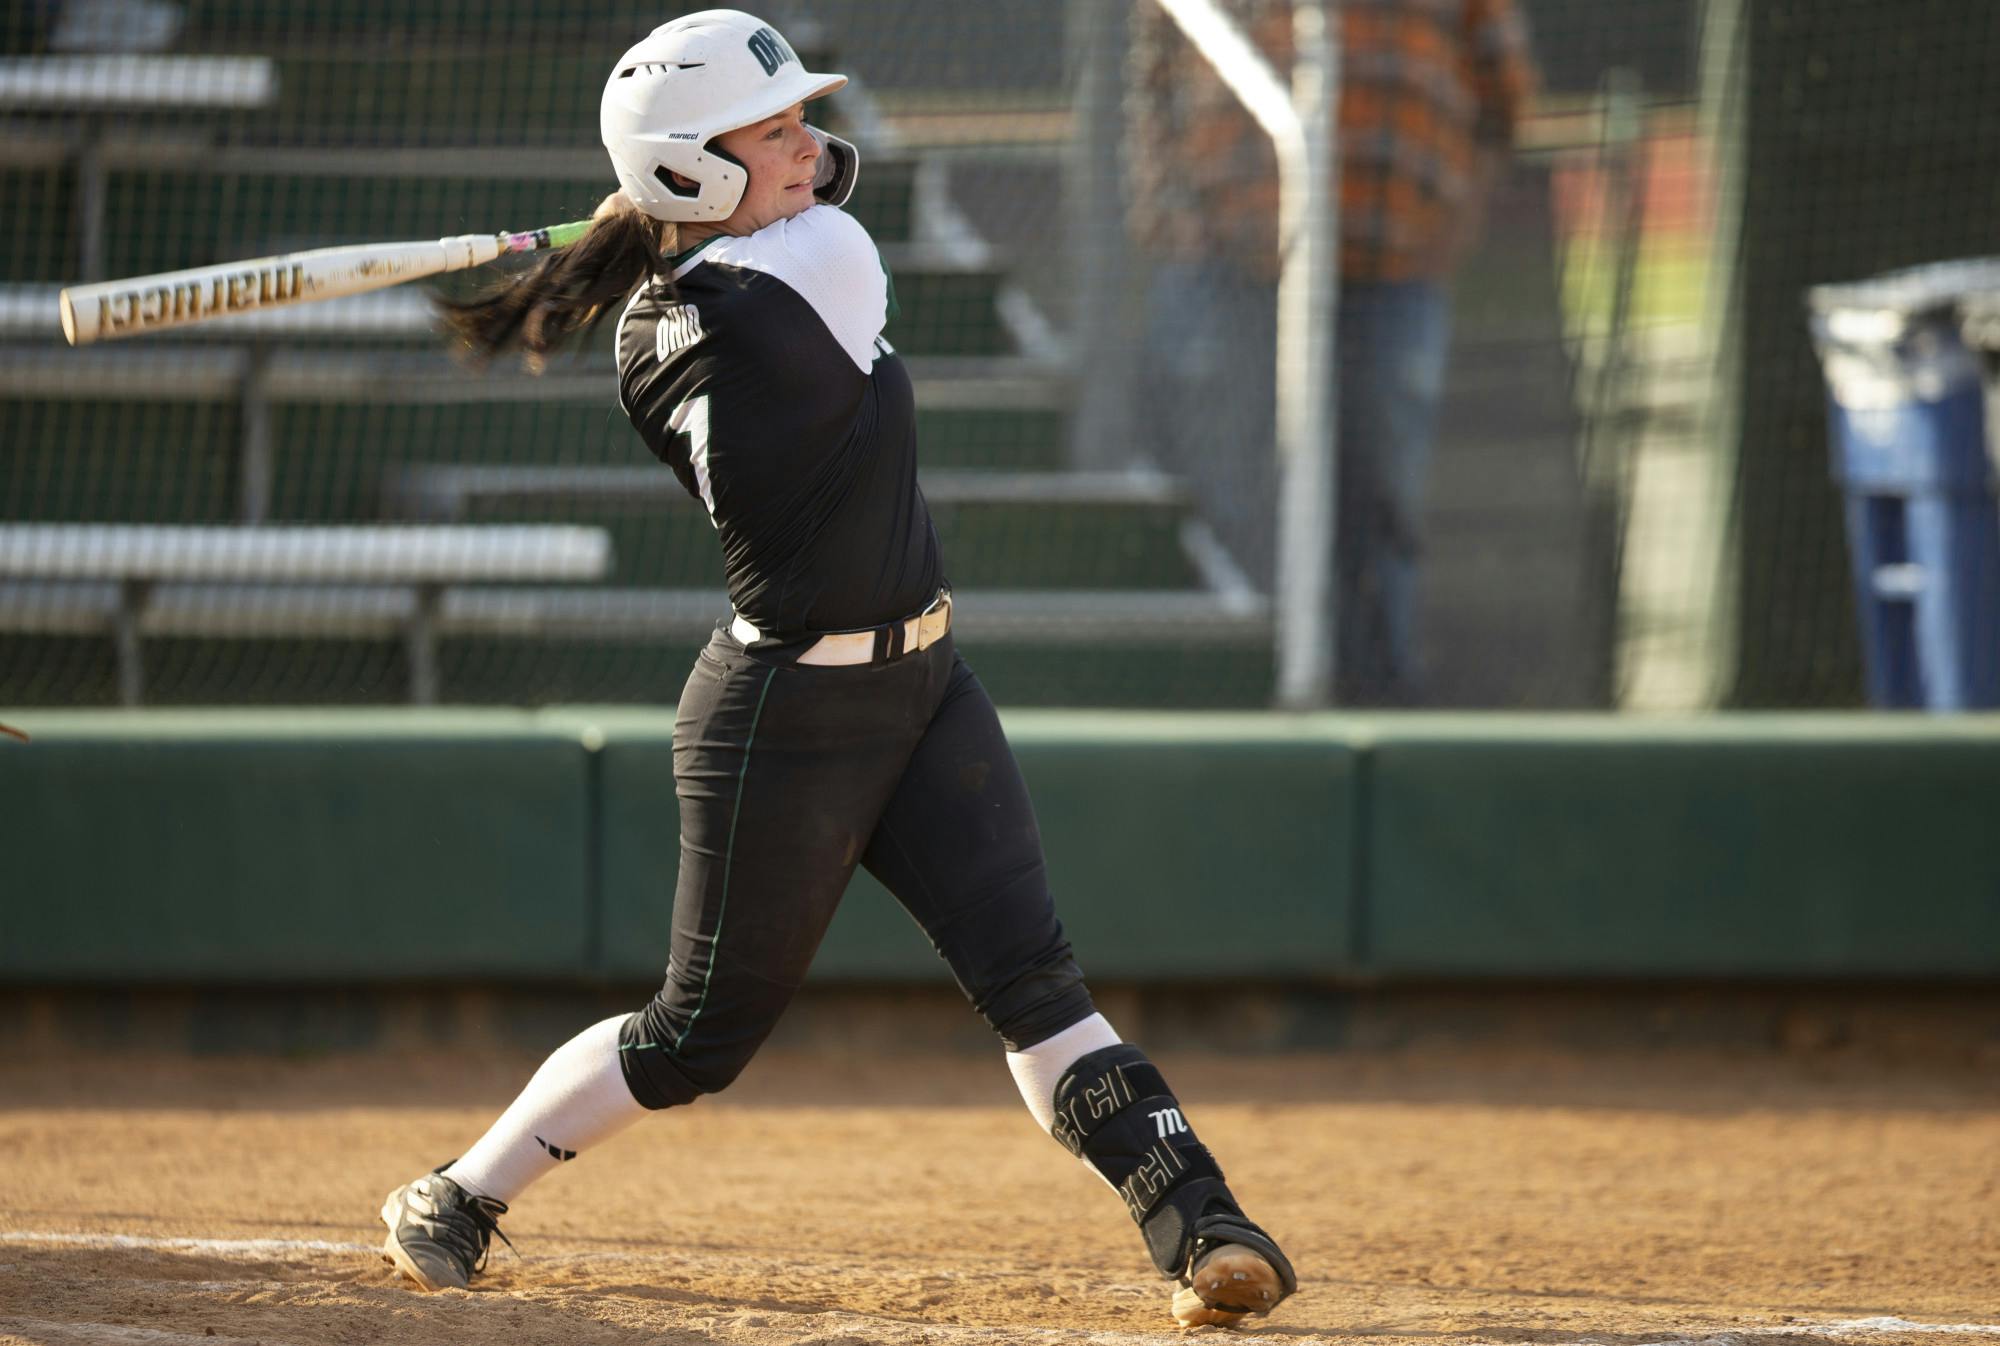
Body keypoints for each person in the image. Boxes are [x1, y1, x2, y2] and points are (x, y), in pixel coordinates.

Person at [375, 10, 1297, 1329]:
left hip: (921, 684)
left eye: (800, 121)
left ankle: (1203, 1222)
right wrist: (671, 207)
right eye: (775, 131)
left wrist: (673, 200)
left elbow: (774, 209)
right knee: (695, 1036)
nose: (811, 145)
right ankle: (460, 1191)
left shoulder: (667, 315)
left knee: (1034, 983)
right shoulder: (810, 269)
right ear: (688, 169)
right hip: (781, 716)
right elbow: (810, 216)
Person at [1130, 0, 1538, 704]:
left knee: (1377, 505)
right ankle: (1223, 706)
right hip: (1231, 265)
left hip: (1392, 268)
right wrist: (1173, 209)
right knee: (1227, 502)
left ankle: (1374, 713)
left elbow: (1504, 93)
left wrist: (1453, 214)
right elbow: (1154, 62)